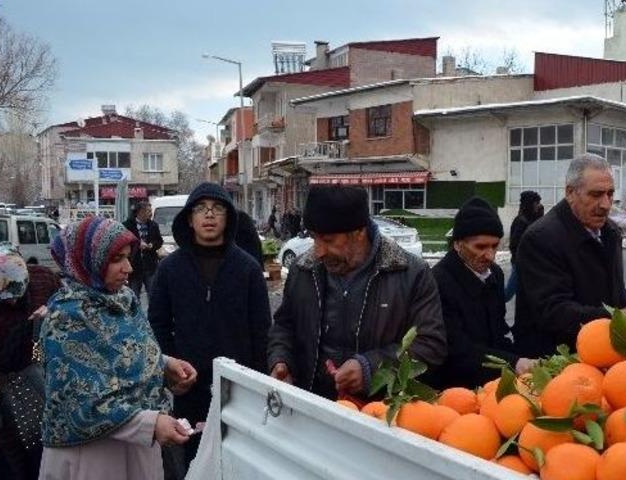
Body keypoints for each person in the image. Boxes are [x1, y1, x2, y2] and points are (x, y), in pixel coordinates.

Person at [39, 217, 197, 480]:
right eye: (116, 259)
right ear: (87, 261)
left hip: (138, 447)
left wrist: (164, 365)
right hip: (92, 457)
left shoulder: (124, 300)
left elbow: (127, 352)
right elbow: (80, 402)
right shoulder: (66, 317)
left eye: (128, 257)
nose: (128, 268)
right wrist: (151, 423)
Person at [267, 185, 446, 400]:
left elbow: (430, 345)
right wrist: (281, 359)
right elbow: (284, 326)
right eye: (315, 238)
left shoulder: (411, 274)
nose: (319, 251)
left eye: (329, 240)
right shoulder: (302, 270)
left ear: (359, 233)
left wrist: (370, 367)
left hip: (378, 415)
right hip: (311, 409)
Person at [148, 183, 271, 467]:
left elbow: (262, 331)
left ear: (228, 218)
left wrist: (256, 384)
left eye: (217, 209)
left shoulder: (248, 269)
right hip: (188, 390)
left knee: (238, 463)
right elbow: (157, 326)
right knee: (193, 463)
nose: (209, 215)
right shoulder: (170, 269)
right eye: (201, 209)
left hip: (238, 391)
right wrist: (169, 370)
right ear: (189, 219)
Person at [513, 154, 626, 357]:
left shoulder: (610, 232)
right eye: (596, 194)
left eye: (610, 194)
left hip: (604, 353)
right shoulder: (541, 238)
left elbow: (614, 295)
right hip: (556, 361)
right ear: (570, 193)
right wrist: (623, 317)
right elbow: (554, 312)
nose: (606, 204)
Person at [432, 198, 534, 389]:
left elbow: (499, 331)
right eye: (480, 247)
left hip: (491, 383)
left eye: (494, 246)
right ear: (457, 244)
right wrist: (513, 362)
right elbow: (455, 348)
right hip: (453, 388)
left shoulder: (495, 274)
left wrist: (520, 358)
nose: (490, 255)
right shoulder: (438, 281)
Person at [0, 244, 60, 480]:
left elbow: (66, 301)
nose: (11, 303)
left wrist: (51, 312)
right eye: (5, 299)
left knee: (39, 434)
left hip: (34, 364)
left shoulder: (43, 279)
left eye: (16, 296)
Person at [505, 191, 543, 302]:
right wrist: (523, 258)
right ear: (530, 204)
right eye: (536, 203)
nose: (538, 205)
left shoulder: (529, 219)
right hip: (521, 263)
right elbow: (514, 244)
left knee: (526, 294)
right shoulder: (521, 221)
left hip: (529, 263)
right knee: (508, 293)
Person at [122, 201, 163, 301]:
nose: (150, 213)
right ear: (140, 211)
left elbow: (159, 241)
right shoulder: (127, 225)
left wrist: (152, 245)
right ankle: (135, 315)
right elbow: (122, 242)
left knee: (153, 295)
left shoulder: (153, 225)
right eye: (148, 211)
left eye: (150, 211)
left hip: (150, 266)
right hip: (134, 266)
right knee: (134, 295)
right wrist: (137, 244)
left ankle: (153, 315)